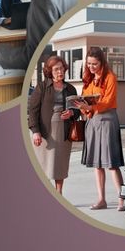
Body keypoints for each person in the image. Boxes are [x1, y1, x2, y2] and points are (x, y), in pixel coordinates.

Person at [72, 47, 124, 210]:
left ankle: (122, 198)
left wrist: (90, 108)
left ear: (102, 62)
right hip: (92, 122)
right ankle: (101, 199)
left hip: (107, 120)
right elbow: (84, 101)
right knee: (97, 163)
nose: (91, 67)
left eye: (94, 64)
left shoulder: (110, 77)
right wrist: (82, 107)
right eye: (88, 64)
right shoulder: (88, 79)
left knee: (111, 162)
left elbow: (108, 101)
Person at [27, 56, 77, 193]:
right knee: (43, 164)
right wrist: (35, 131)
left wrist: (72, 114)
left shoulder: (71, 88)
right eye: (56, 69)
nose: (60, 72)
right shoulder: (42, 87)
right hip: (44, 132)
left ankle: (58, 193)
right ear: (49, 71)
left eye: (61, 68)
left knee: (59, 164)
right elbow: (33, 111)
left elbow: (77, 110)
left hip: (63, 131)